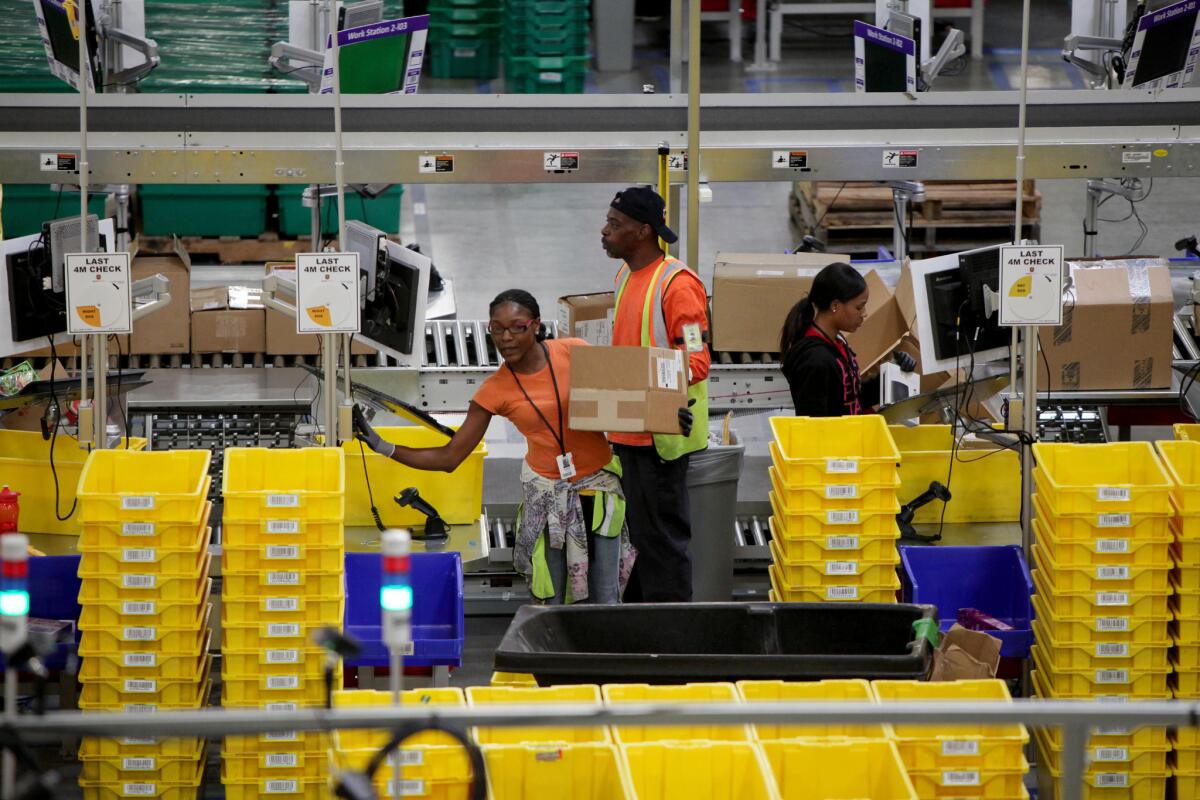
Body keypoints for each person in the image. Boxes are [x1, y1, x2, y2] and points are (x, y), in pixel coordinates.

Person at [354, 289, 634, 605]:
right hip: (548, 499)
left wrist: (667, 415)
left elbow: (625, 399)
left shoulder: (574, 351)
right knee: (554, 596)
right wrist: (384, 447)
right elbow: (450, 456)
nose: (506, 338)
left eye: (517, 327)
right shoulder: (495, 390)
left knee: (607, 593)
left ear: (536, 325)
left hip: (599, 492)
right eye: (496, 329)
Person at [600, 186, 708, 603]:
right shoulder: (626, 275)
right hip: (628, 433)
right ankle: (640, 627)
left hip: (659, 440)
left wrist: (644, 386)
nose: (604, 232)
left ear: (643, 231)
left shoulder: (677, 285)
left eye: (615, 224)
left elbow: (696, 361)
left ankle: (672, 643)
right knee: (642, 540)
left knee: (663, 546)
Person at [779, 262, 914, 417]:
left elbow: (851, 397)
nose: (864, 313)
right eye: (859, 307)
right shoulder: (815, 360)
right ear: (835, 305)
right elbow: (813, 426)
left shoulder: (836, 341)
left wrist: (893, 373)